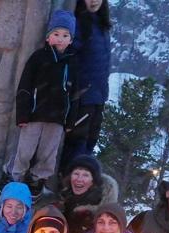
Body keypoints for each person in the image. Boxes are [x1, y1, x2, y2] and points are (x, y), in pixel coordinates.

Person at [8, 10, 79, 196]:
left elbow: (75, 95)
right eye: (56, 34)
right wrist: (22, 114)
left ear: (71, 40)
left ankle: (37, 178)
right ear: (48, 37)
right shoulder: (38, 57)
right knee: (25, 149)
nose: (60, 39)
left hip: (57, 118)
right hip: (34, 114)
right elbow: (25, 86)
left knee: (48, 152)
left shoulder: (72, 63)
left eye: (65, 35)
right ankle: (15, 175)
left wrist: (70, 121)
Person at [59, 0, 112, 171]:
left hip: (98, 95)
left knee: (90, 142)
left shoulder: (100, 23)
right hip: (82, 96)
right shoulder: (79, 23)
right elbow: (68, 56)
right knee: (77, 144)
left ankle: (79, 188)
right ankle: (66, 185)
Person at [56, 155, 118, 233]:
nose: (79, 179)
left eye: (85, 175)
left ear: (93, 181)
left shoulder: (99, 214)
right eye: (76, 173)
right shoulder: (62, 199)